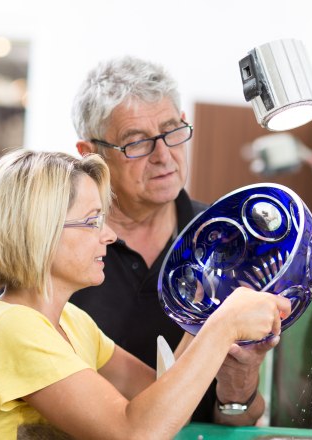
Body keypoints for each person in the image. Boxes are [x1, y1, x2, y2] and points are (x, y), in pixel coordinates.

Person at [0, 149, 290, 439]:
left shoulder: (72, 322)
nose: (109, 235)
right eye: (92, 221)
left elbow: (167, 406)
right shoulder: (9, 329)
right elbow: (135, 432)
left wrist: (208, 311)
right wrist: (225, 326)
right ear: (39, 232)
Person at [68, 56, 275, 425]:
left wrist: (239, 381)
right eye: (137, 143)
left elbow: (235, 421)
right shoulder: (59, 248)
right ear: (90, 155)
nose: (164, 156)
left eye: (172, 131)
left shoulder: (231, 241)